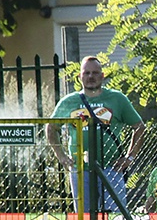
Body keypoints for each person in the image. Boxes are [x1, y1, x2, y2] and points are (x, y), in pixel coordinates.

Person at [46, 55, 146, 212]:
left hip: (112, 168)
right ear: (80, 77)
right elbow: (51, 128)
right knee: (85, 218)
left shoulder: (117, 99)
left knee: (114, 216)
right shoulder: (69, 102)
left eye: (94, 72)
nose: (90, 77)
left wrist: (129, 157)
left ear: (102, 75)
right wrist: (62, 156)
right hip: (80, 168)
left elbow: (139, 127)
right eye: (86, 73)